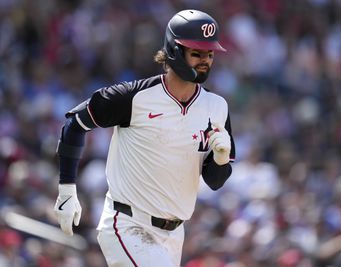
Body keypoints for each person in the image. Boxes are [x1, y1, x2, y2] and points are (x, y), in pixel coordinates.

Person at [53, 9, 235, 267]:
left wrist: (220, 158)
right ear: (174, 50)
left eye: (209, 53)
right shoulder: (134, 97)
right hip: (127, 223)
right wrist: (67, 190)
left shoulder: (217, 107)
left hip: (174, 234)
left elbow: (215, 181)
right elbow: (75, 124)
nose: (205, 60)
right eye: (197, 53)